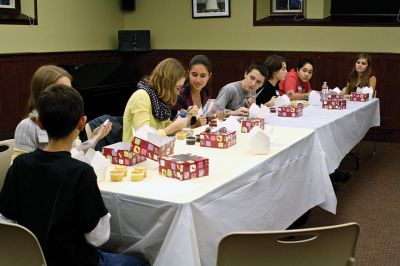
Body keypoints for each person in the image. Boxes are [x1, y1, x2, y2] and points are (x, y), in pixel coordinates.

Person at [0, 84, 149, 266]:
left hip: (29, 258)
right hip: (75, 260)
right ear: (82, 122)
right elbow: (99, 237)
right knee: (141, 261)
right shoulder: (81, 172)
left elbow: (6, 219)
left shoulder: (20, 165)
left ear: (39, 122)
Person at [13, 65, 111, 159]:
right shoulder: (27, 126)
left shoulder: (68, 119)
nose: (69, 96)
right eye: (62, 91)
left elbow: (75, 151)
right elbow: (20, 168)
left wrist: (95, 138)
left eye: (70, 90)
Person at [123, 58, 196, 142]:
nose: (178, 93)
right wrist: (173, 127)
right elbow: (143, 139)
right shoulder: (141, 97)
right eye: (177, 88)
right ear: (166, 84)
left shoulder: (161, 99)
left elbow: (167, 130)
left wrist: (187, 117)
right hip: (132, 153)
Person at [172, 55, 211, 128]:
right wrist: (195, 125)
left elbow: (205, 119)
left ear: (209, 76)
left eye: (202, 76)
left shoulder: (205, 92)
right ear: (188, 73)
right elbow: (174, 129)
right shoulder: (179, 96)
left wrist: (212, 118)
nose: (198, 80)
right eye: (194, 75)